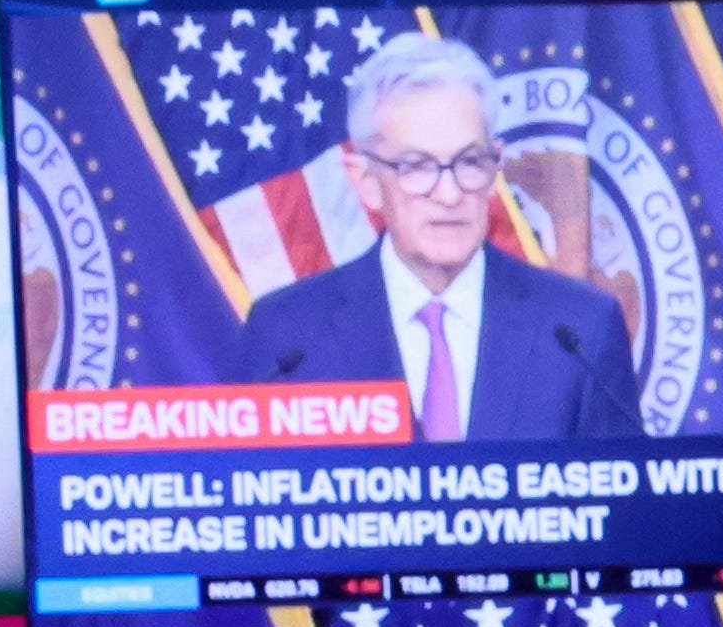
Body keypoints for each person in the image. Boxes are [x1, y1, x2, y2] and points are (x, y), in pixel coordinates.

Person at [231, 31, 642, 435]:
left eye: (469, 161)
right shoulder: (288, 338)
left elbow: (626, 499)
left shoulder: (580, 329)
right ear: (366, 182)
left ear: (495, 163)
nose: (449, 194)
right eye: (417, 167)